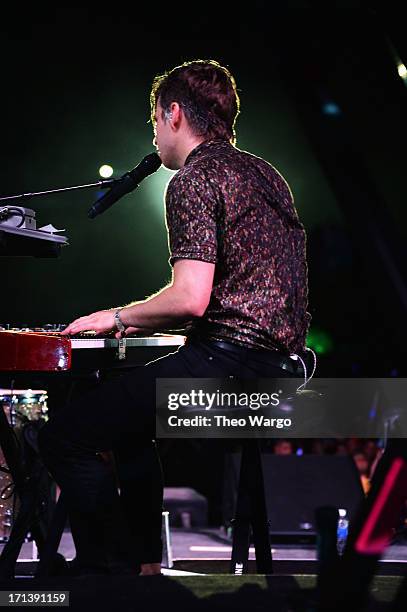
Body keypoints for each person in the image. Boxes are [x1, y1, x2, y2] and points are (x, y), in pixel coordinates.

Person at [38, 59, 312, 576]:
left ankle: (107, 571)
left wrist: (114, 317)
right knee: (125, 417)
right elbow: (245, 294)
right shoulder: (265, 173)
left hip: (228, 369)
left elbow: (190, 299)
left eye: (155, 122)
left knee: (64, 437)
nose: (156, 135)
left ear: (175, 114)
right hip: (282, 368)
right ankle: (141, 562)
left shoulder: (192, 180)